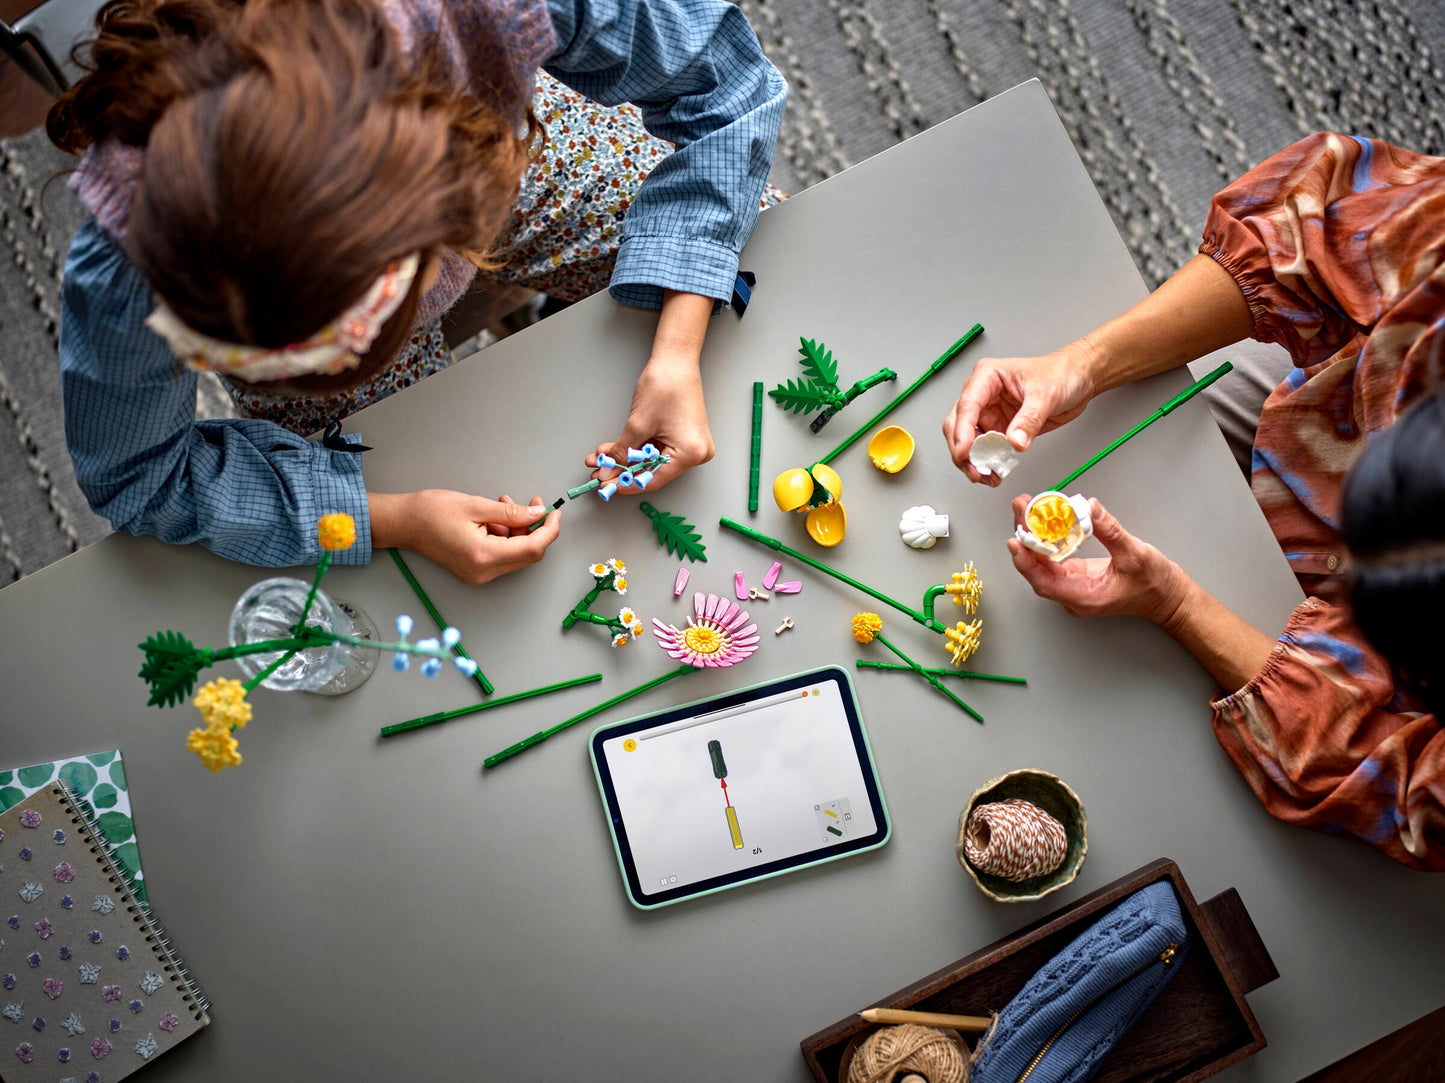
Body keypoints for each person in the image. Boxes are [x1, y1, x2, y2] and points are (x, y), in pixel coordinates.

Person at [52, 0, 786, 584]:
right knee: (428, 495)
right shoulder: (134, 253)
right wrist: (394, 518)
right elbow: (139, 475)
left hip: (498, 136)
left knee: (769, 253)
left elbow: (723, 80)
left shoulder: (486, 15)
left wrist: (677, 347)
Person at [943, 132, 1444, 871]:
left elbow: (1400, 793)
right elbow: (1304, 235)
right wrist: (1079, 366)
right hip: (1323, 398)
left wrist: (1173, 604)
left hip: (1338, 693)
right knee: (1178, 406)